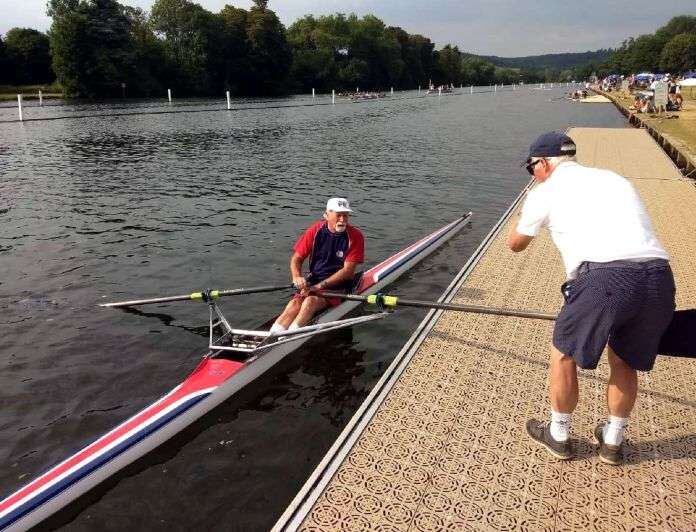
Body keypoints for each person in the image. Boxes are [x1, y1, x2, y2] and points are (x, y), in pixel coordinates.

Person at [507, 132, 675, 465]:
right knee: (624, 358)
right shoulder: (614, 179)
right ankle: (612, 441)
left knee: (563, 355)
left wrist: (527, 209)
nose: (531, 174)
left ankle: (558, 434)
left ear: (543, 163)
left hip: (604, 281)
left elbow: (515, 244)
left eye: (530, 168)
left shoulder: (544, 191)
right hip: (658, 277)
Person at [270, 198, 364, 333]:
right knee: (293, 304)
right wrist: (297, 277)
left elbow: (348, 272)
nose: (342, 219)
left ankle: (286, 338)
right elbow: (296, 258)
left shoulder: (355, 236)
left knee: (309, 302)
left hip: (339, 286)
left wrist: (319, 287)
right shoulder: (315, 230)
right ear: (326, 215)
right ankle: (270, 337)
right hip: (313, 281)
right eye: (339, 215)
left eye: (345, 215)